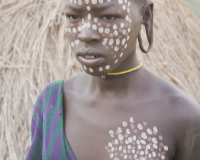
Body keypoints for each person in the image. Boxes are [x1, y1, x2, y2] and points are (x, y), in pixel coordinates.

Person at [26, 0, 200, 159]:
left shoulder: (183, 117)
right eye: (73, 16)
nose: (85, 34)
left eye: (108, 17)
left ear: (145, 16)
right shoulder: (52, 103)